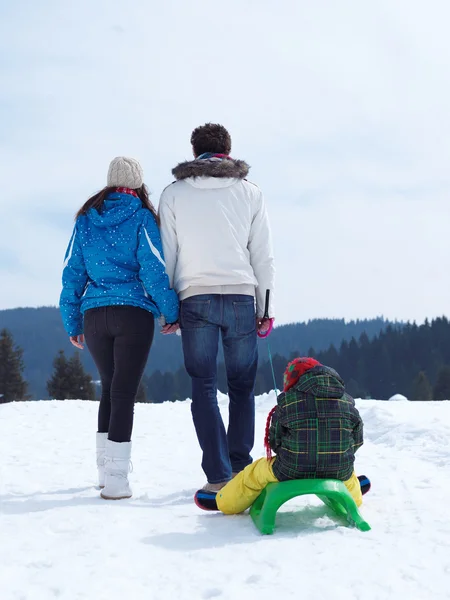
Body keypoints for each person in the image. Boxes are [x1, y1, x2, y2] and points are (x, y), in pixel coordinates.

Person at [159, 123, 275, 492]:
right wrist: (266, 306)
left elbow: (169, 255)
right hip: (242, 296)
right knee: (242, 386)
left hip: (195, 298)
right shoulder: (250, 193)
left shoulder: (173, 194)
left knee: (203, 385)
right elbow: (263, 255)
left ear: (195, 152)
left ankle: (218, 475)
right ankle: (241, 468)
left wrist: (169, 309)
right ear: (228, 149)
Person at [60, 157, 179, 500]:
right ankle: (115, 480)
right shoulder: (142, 217)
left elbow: (72, 274)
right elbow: (154, 271)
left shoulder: (85, 220)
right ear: (138, 183)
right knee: (124, 392)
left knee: (110, 389)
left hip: (94, 316)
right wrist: (170, 312)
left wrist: (72, 320)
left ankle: (103, 473)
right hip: (132, 315)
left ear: (109, 182)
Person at [194, 357, 371, 513]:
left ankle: (223, 501)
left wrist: (291, 450)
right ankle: (353, 496)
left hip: (290, 468)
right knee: (346, 470)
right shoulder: (346, 401)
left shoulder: (288, 402)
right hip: (337, 468)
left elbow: (274, 440)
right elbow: (357, 438)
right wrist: (339, 451)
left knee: (253, 474)